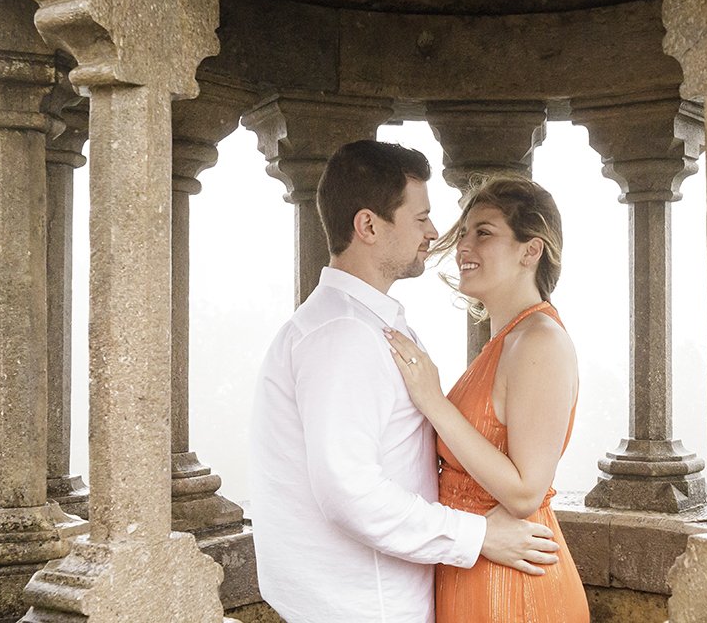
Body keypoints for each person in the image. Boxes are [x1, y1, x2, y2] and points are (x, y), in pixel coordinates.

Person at [249, 140, 561, 623]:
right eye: (420, 218)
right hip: (364, 606)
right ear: (369, 225)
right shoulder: (346, 335)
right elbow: (348, 491)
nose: (438, 234)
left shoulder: (366, 325)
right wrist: (475, 535)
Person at [384, 175, 589, 623]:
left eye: (484, 233)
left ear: (530, 251)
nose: (463, 247)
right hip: (476, 565)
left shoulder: (540, 342)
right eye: (463, 233)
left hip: (514, 585)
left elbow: (524, 492)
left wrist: (432, 400)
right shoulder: (507, 340)